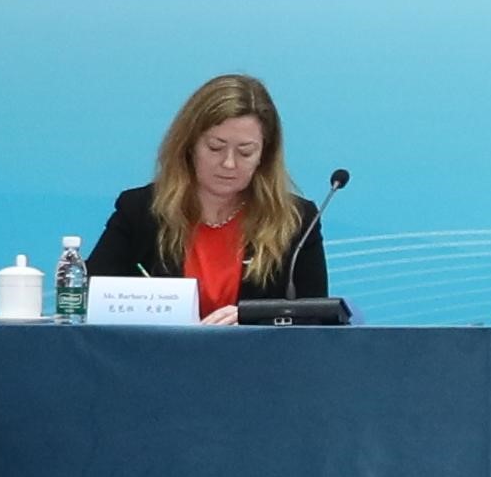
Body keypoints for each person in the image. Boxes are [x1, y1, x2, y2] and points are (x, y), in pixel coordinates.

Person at [91, 72, 332, 312]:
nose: (229, 163)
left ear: (264, 155)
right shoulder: (141, 210)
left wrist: (251, 317)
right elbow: (90, 297)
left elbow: (315, 318)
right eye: (215, 147)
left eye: (245, 152)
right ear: (189, 145)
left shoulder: (296, 221)